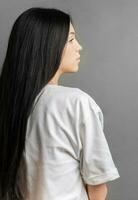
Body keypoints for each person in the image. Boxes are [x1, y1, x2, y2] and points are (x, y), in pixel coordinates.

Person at [0, 7, 120, 200]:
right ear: (47, 46)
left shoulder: (10, 105)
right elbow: (97, 188)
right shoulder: (76, 102)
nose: (79, 46)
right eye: (71, 39)